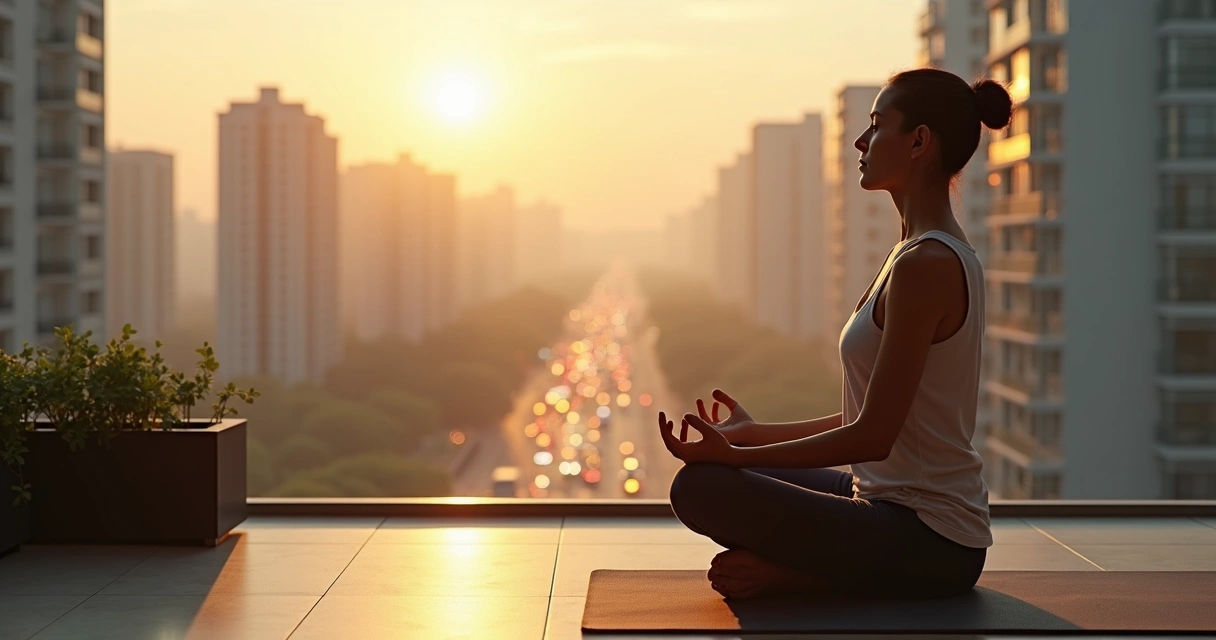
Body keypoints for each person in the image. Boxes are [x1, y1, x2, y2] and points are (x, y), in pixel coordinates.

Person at [657, 67, 1013, 601]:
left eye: (876, 126)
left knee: (701, 487)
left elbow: (872, 437)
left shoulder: (928, 263)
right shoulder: (913, 254)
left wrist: (735, 458)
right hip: (882, 500)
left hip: (931, 539)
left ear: (919, 141)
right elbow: (876, 415)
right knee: (713, 481)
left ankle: (809, 578)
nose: (860, 142)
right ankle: (818, 568)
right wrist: (756, 436)